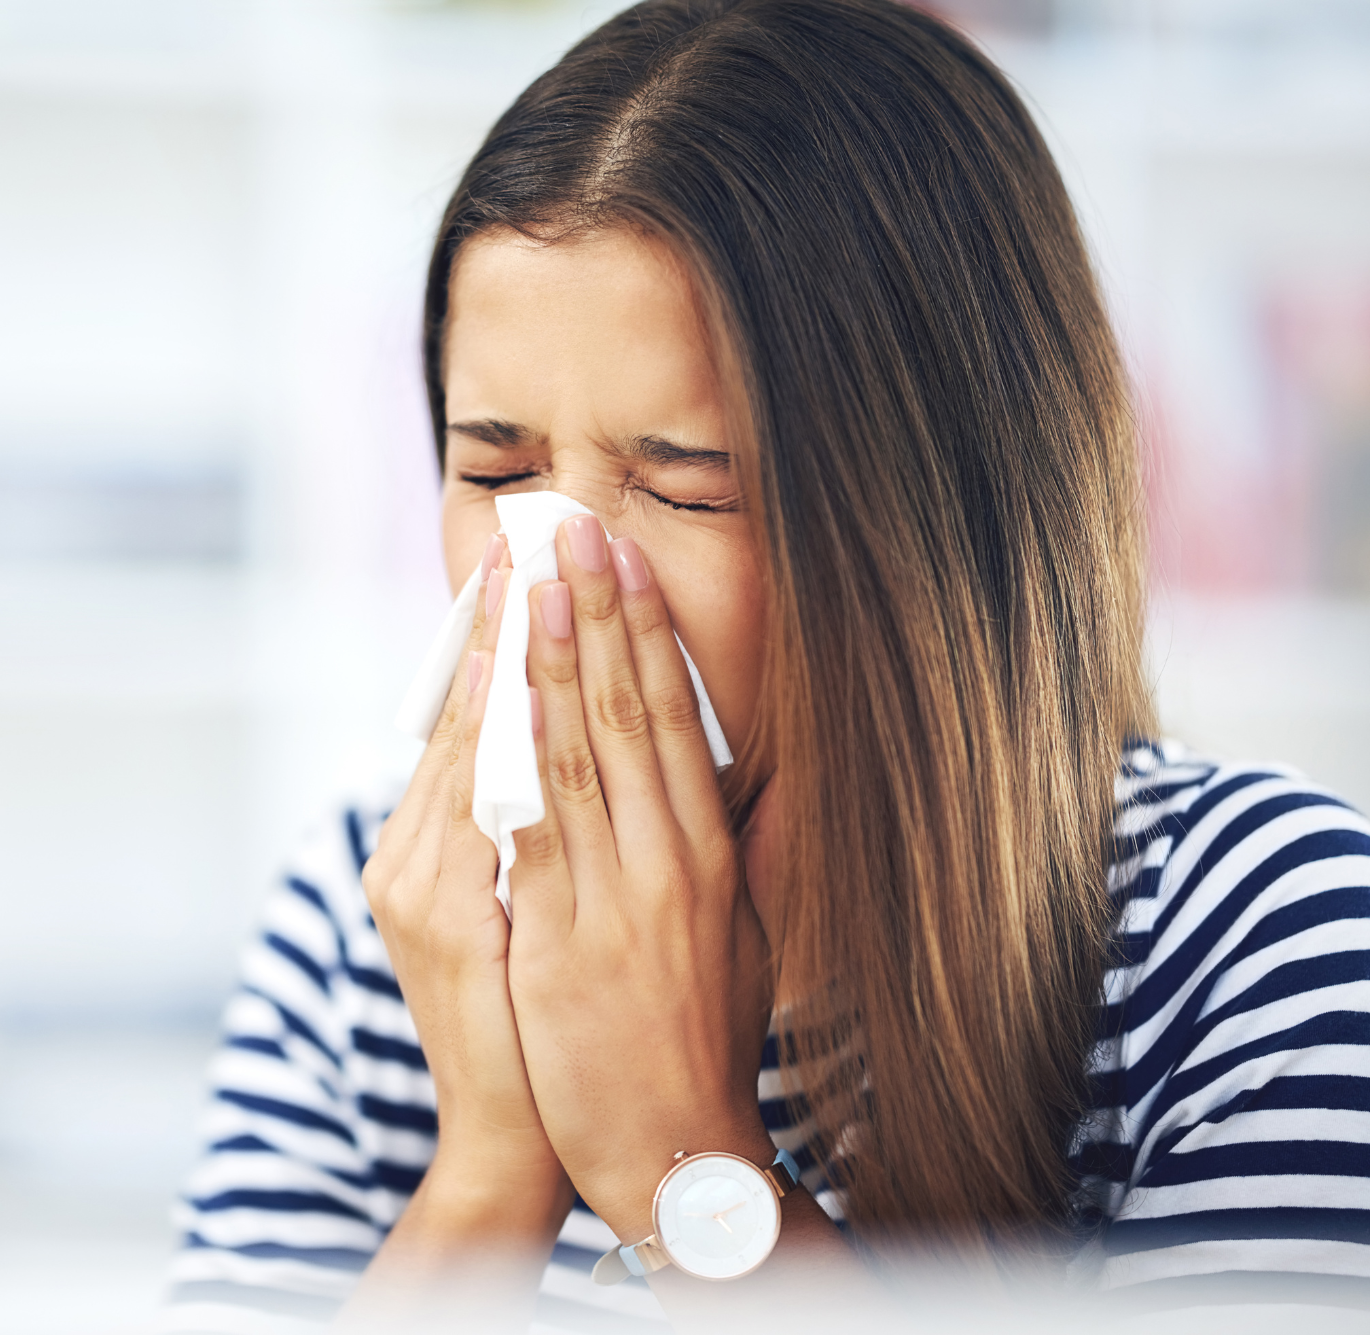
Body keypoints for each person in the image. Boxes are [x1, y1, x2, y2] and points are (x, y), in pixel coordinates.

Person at [163, 1, 1370, 1330]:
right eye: (497, 471)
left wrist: (679, 1158)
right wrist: (492, 1173)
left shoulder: (1258, 937)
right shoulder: (374, 921)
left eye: (686, 487)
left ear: (932, 511)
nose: (556, 572)